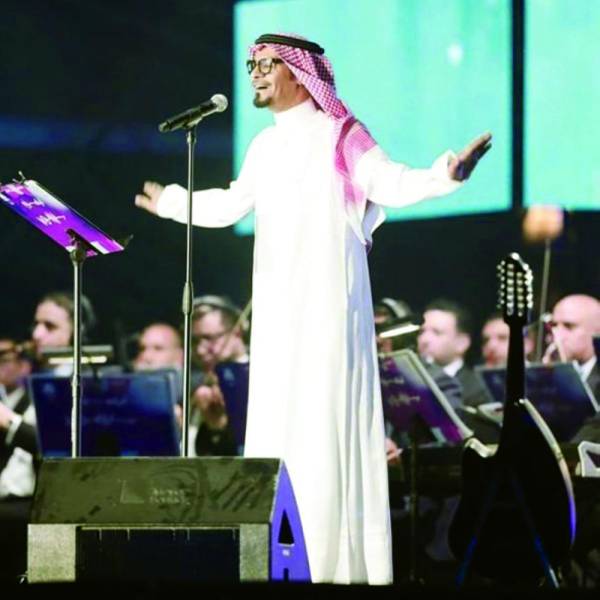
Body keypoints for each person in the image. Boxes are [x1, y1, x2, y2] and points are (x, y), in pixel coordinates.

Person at [134, 33, 491, 584]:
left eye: (267, 63)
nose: (255, 73)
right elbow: (230, 204)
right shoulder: (265, 145)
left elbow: (391, 182)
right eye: (252, 64)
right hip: (278, 316)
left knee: (323, 427)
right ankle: (280, 563)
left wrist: (446, 174)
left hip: (328, 313)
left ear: (301, 74)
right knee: (279, 426)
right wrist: (171, 203)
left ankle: (333, 568)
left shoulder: (340, 134)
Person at [190, 296, 249, 457]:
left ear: (237, 331)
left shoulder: (256, 378)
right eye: (194, 341)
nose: (200, 350)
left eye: (209, 338)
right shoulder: (195, 382)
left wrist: (218, 429)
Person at [0, 338, 37, 582]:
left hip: (24, 503)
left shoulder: (34, 401)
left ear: (24, 366)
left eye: (4, 360)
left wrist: (8, 420)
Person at [418, 298, 491, 409]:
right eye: (421, 331)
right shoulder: (409, 380)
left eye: (437, 332)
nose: (424, 339)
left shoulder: (478, 390)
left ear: (462, 343)